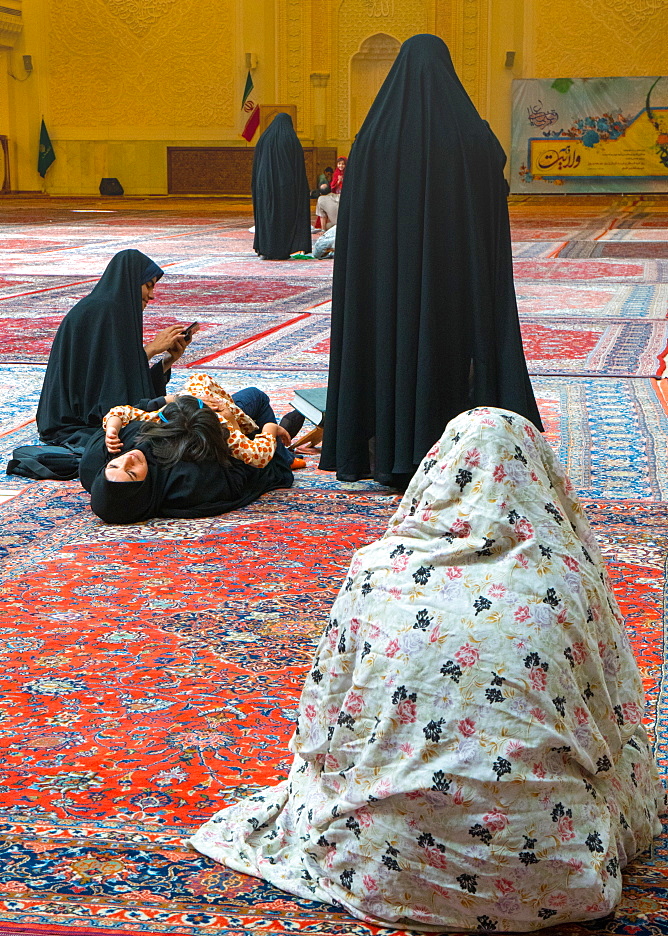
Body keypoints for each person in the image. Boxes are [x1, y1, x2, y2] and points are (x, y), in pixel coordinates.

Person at [190, 407, 664, 932]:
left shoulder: (378, 571)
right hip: (559, 876)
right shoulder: (566, 579)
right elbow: (611, 720)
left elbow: (323, 724)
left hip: (378, 869)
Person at [320, 34, 542, 488]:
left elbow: (356, 230)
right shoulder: (469, 135)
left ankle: (388, 455)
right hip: (454, 287)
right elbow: (494, 190)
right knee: (447, 356)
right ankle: (455, 450)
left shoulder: (372, 139)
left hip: (384, 290)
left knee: (389, 346)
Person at [35, 249, 190, 448]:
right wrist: (151, 349)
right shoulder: (103, 312)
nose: (151, 296)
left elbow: (114, 381)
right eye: (148, 286)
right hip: (73, 422)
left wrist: (167, 361)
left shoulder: (114, 309)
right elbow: (104, 391)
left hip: (86, 413)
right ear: (130, 282)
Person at [80, 385, 301, 524]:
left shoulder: (98, 458)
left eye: (114, 466)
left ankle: (283, 445)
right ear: (145, 487)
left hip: (190, 414)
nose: (127, 459)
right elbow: (247, 469)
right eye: (131, 473)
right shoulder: (189, 482)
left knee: (233, 398)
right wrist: (265, 430)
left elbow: (134, 411)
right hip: (228, 441)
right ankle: (283, 450)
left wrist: (177, 399)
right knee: (256, 397)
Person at [103, 373, 292, 470]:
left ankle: (284, 456)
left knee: (252, 396)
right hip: (234, 421)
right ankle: (284, 459)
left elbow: (120, 412)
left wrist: (112, 429)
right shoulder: (223, 428)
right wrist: (271, 428)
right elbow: (258, 455)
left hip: (218, 409)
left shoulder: (162, 419)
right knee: (256, 396)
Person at [251, 113, 312, 260]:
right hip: (286, 188)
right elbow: (298, 169)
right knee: (284, 216)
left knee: (267, 215)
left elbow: (256, 166)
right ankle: (282, 249)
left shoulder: (263, 139)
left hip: (264, 187)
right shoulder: (291, 139)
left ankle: (266, 248)